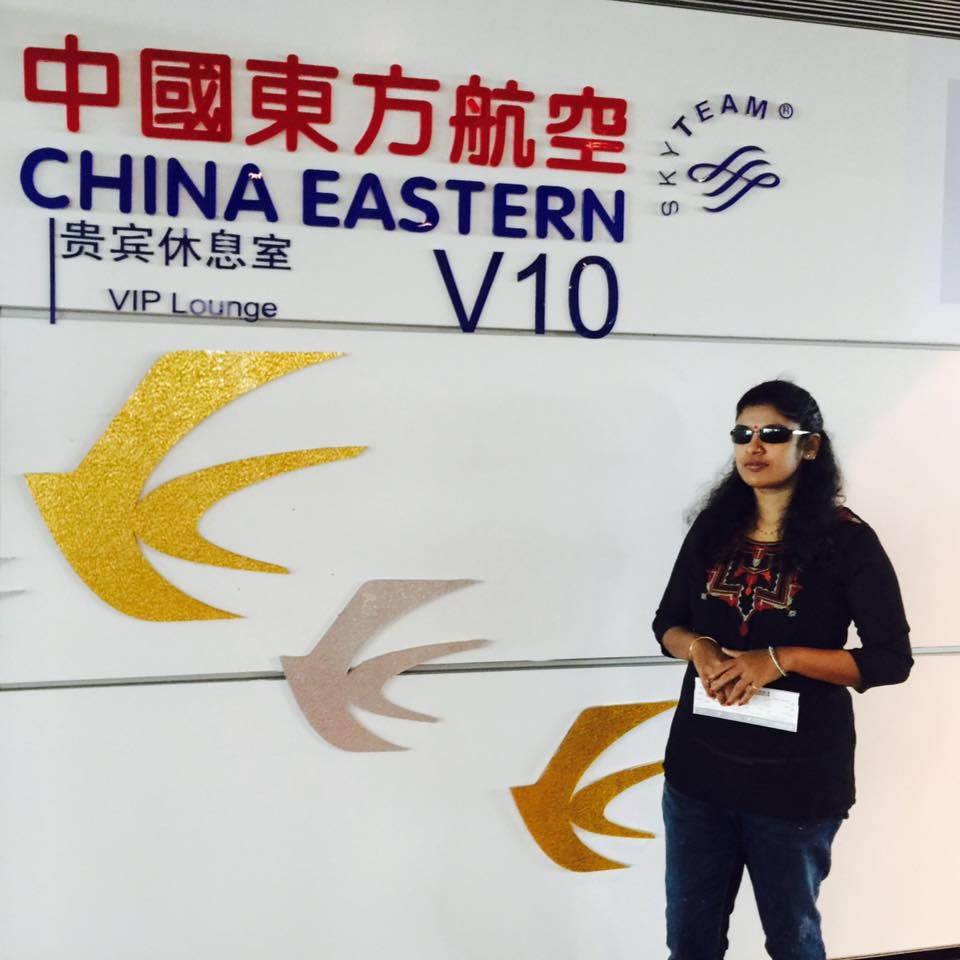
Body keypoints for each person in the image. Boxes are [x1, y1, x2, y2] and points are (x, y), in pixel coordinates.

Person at [652, 380, 912, 960]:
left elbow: (890, 659)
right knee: (690, 943)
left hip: (795, 784)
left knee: (793, 943)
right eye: (742, 433)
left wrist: (781, 659)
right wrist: (699, 649)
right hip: (698, 775)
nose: (754, 446)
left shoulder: (847, 541)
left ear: (810, 447)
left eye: (772, 433)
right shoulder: (713, 529)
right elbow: (666, 624)